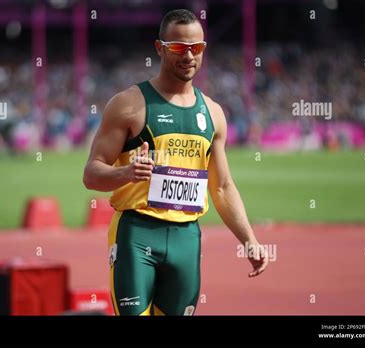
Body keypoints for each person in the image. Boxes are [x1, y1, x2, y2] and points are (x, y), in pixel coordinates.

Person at [83, 9, 268, 316]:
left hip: (186, 238)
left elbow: (221, 187)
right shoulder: (129, 104)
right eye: (179, 48)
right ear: (160, 48)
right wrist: (125, 173)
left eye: (197, 48)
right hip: (136, 234)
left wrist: (249, 239)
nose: (189, 56)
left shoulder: (213, 113)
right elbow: (91, 174)